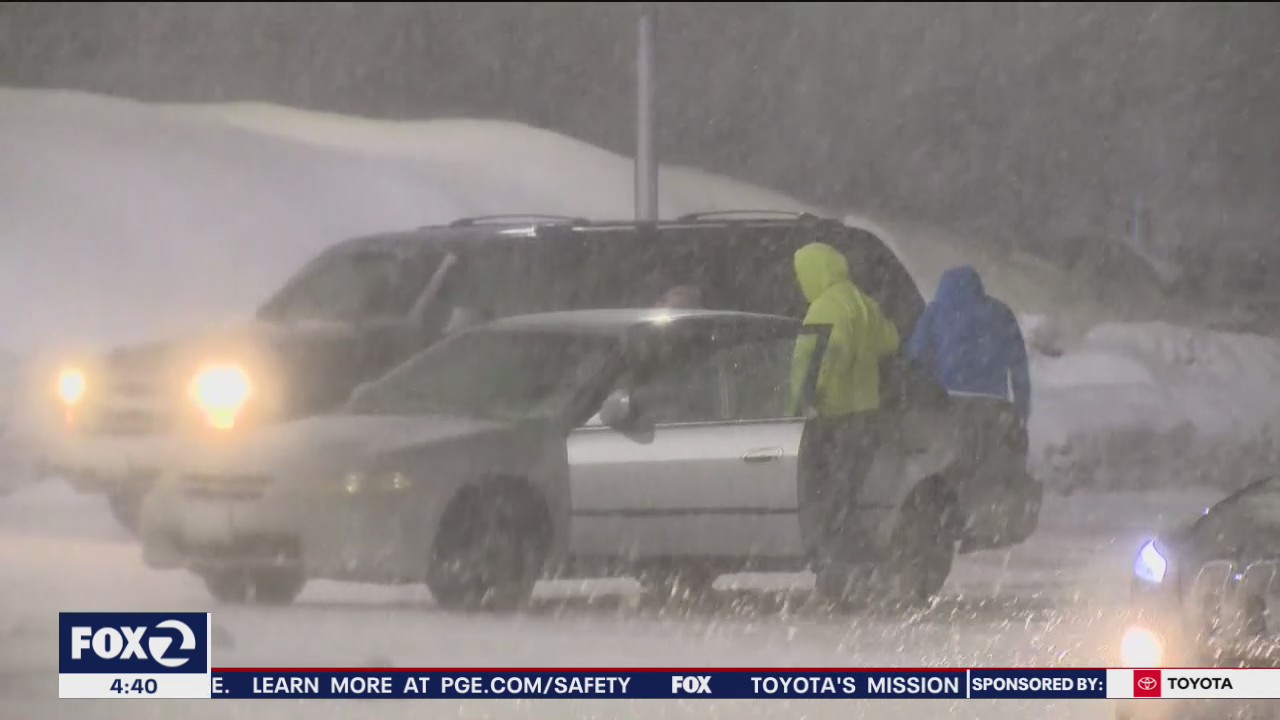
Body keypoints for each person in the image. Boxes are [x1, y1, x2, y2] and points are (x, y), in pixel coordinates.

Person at [787, 242, 901, 565]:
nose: (800, 282)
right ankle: (855, 562)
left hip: (832, 417)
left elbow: (822, 360)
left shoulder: (825, 308)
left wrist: (806, 399)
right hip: (866, 414)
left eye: (802, 274)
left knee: (831, 499)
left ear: (815, 272)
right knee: (848, 494)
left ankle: (845, 566)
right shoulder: (863, 303)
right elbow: (890, 340)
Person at [905, 265, 1031, 422]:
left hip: (948, 401)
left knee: (951, 445)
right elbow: (1019, 364)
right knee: (990, 444)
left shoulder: (934, 314)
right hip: (993, 402)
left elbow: (917, 358)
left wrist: (919, 400)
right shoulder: (1000, 312)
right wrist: (1022, 410)